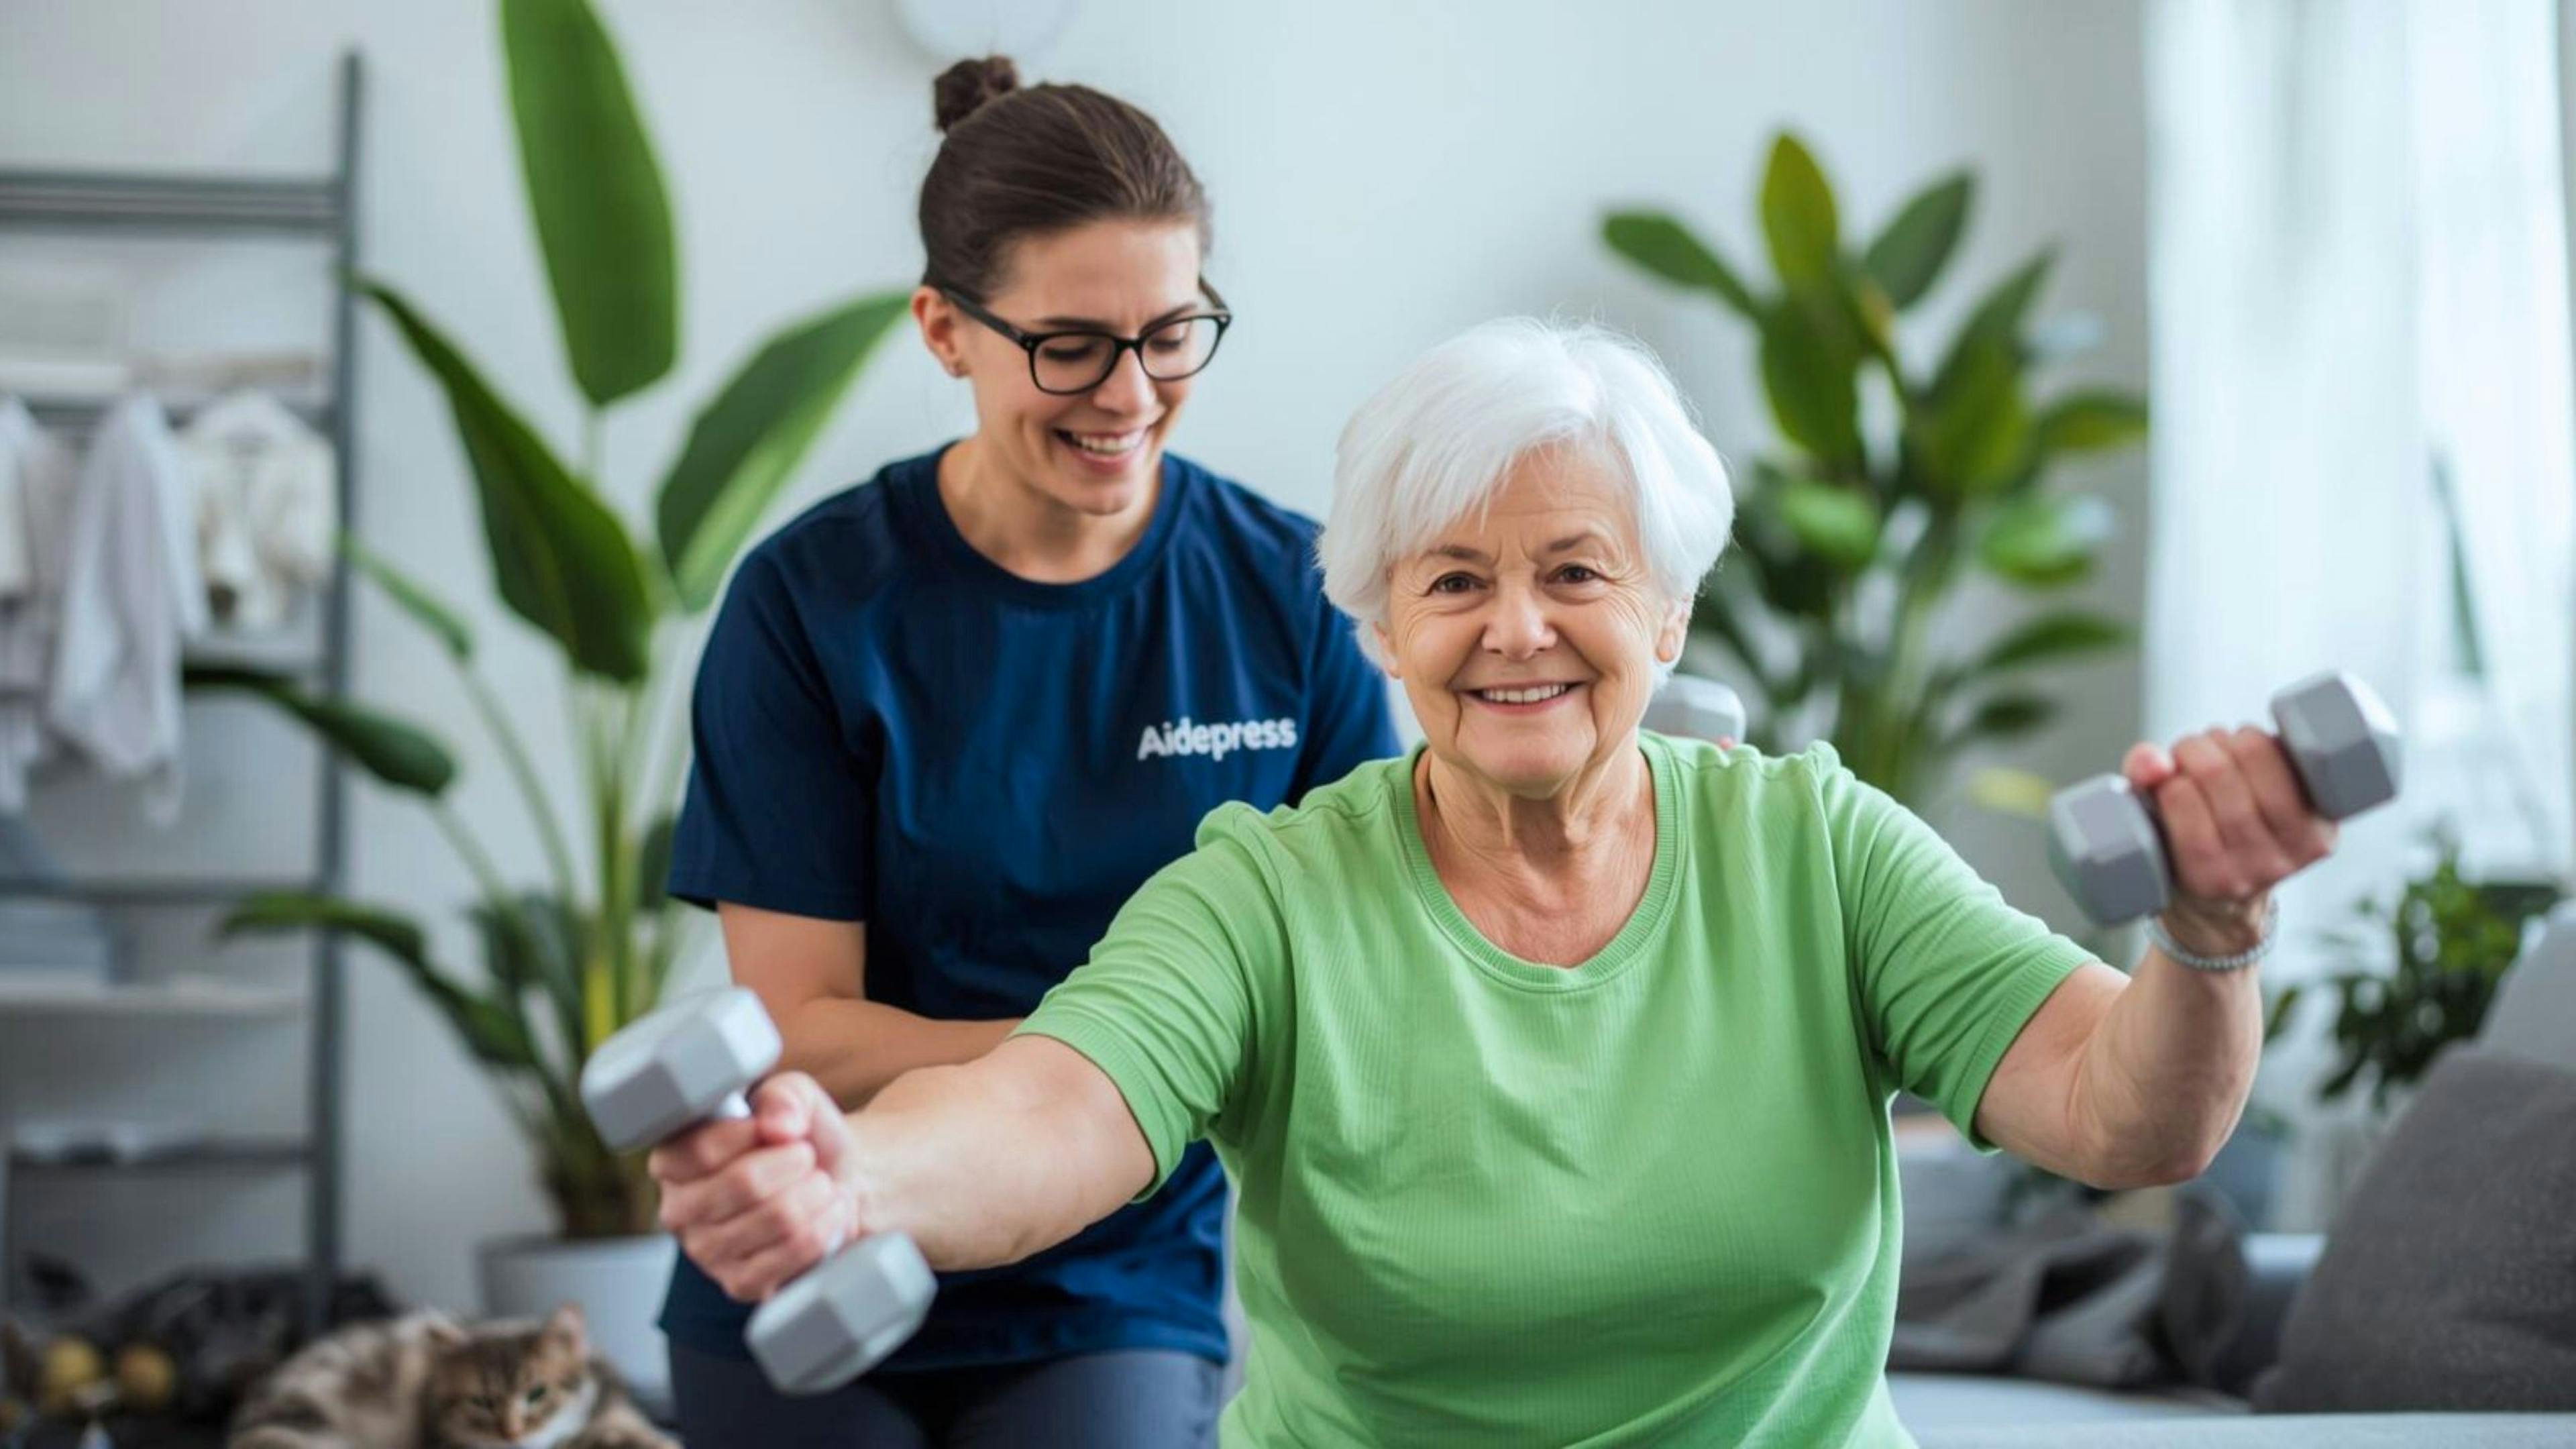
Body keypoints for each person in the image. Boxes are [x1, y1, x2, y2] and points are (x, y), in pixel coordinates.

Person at [654, 319, 2320, 1446]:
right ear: (1382, 632)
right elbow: (1051, 1111)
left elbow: (2125, 1114)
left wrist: (2210, 933)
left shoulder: (1818, 850)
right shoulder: (1268, 898)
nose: (1516, 629)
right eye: (1452, 581)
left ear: (1668, 611)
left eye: (1575, 571)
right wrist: (852, 1181)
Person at [657, 55, 1397, 1448]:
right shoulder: (813, 605)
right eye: (1070, 345)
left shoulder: (1294, 602)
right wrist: (1124, 1057)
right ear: (946, 330)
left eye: (1171, 333)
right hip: (811, 1243)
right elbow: (802, 1032)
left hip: (1111, 1281)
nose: (1129, 392)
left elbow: (1358, 981)